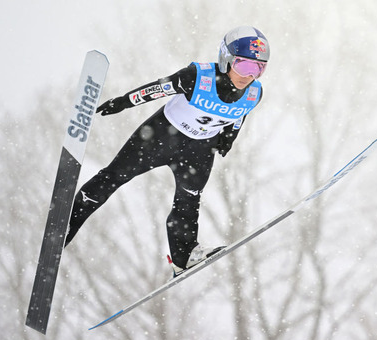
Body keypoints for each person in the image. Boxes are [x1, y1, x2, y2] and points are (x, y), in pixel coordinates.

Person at [64, 26, 270, 278]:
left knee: (189, 199)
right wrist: (123, 101)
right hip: (161, 137)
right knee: (114, 176)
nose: (249, 75)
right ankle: (67, 225)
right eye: (244, 66)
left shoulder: (254, 93)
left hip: (199, 150)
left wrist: (230, 137)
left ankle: (184, 257)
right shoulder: (198, 76)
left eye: (258, 68)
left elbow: (240, 114)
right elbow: (158, 89)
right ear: (226, 58)